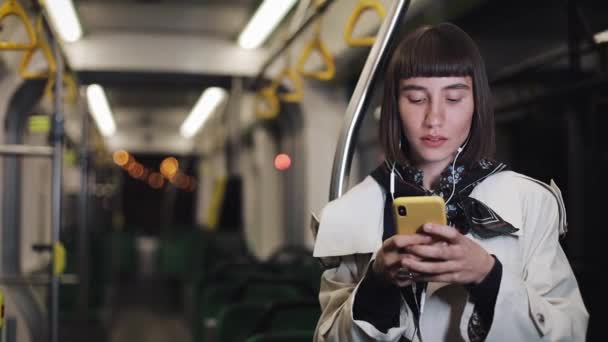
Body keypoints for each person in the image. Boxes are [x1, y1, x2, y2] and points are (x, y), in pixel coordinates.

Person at [312, 23, 588, 342]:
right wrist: (377, 284)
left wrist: (488, 277)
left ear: (476, 104)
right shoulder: (349, 214)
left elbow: (569, 332)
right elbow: (328, 337)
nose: (434, 118)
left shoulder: (530, 202)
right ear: (394, 107)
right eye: (416, 99)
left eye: (454, 98)